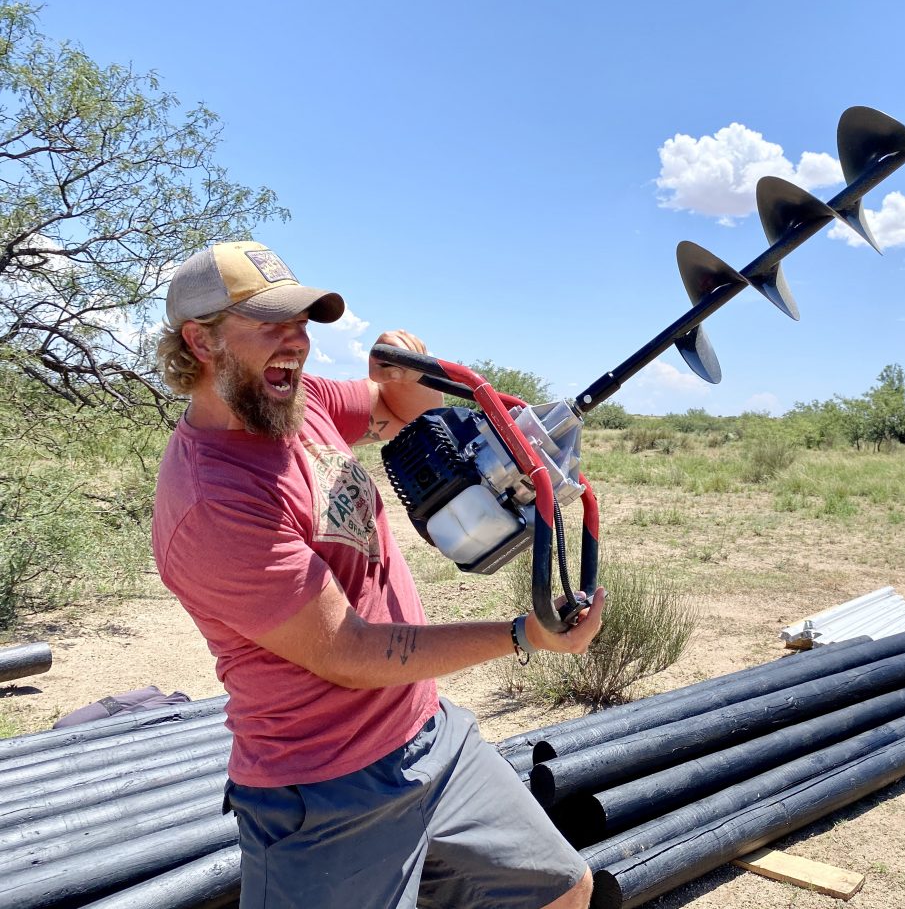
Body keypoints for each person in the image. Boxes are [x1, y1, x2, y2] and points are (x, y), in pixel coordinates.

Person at [151, 240, 605, 909]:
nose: (297, 343)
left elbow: (394, 406)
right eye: (271, 325)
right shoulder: (212, 499)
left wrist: (401, 366)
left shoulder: (294, 404)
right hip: (327, 788)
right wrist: (522, 634)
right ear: (201, 339)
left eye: (302, 324)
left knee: (560, 890)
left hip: (423, 731)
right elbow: (352, 650)